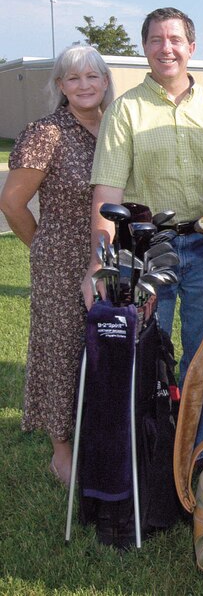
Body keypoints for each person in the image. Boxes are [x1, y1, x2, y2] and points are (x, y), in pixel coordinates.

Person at [83, 7, 203, 445]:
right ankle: (149, 450)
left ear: (192, 48)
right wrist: (98, 264)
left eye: (175, 40)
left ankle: (197, 451)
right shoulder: (124, 111)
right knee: (146, 353)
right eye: (156, 39)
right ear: (145, 48)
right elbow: (107, 197)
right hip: (145, 250)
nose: (166, 48)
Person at [0, 46, 114, 486]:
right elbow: (11, 202)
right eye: (73, 78)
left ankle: (102, 435)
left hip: (110, 257)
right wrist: (42, 245)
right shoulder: (46, 132)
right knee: (61, 352)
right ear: (60, 86)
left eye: (92, 76)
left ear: (105, 81)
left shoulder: (115, 128)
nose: (84, 85)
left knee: (107, 348)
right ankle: (61, 450)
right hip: (61, 261)